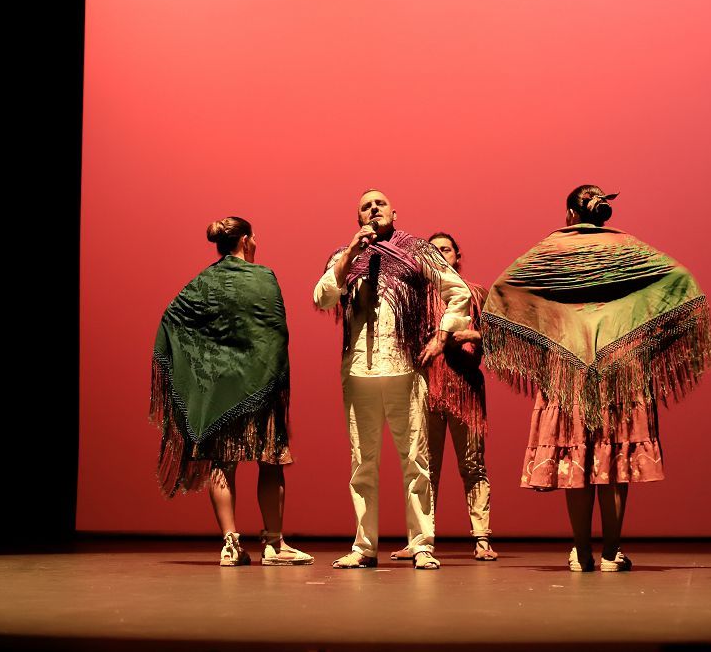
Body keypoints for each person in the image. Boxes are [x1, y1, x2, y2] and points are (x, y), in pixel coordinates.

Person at [482, 186, 711, 572]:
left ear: (570, 214)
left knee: (576, 455)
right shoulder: (628, 248)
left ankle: (581, 552)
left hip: (568, 368)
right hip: (620, 367)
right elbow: (680, 280)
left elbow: (505, 288)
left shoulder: (552, 249)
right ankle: (610, 552)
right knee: (613, 456)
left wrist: (558, 324)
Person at [314, 189, 472, 570]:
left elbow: (459, 292)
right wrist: (351, 254)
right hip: (359, 371)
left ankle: (421, 545)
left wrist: (442, 334)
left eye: (380, 204)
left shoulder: (417, 250)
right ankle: (364, 546)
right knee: (361, 462)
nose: (373, 209)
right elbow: (322, 298)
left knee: (415, 459)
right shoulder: (344, 256)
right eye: (366, 206)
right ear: (358, 219)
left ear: (394, 212)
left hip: (404, 366)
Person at [150, 216, 314, 567]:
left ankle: (230, 544)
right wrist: (272, 373)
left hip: (221, 392)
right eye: (254, 237)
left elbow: (172, 320)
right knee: (271, 461)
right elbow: (275, 331)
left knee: (222, 463)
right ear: (246, 241)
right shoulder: (264, 276)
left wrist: (205, 365)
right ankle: (274, 544)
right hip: (261, 384)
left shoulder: (204, 281)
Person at [390, 232, 497, 562]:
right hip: (425, 389)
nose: (440, 254)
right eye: (433, 251)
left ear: (457, 256)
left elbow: (496, 340)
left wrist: (465, 335)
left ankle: (481, 538)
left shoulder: (475, 294)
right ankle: (421, 539)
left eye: (445, 249)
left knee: (473, 466)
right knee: (424, 467)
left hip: (464, 388)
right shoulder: (416, 298)